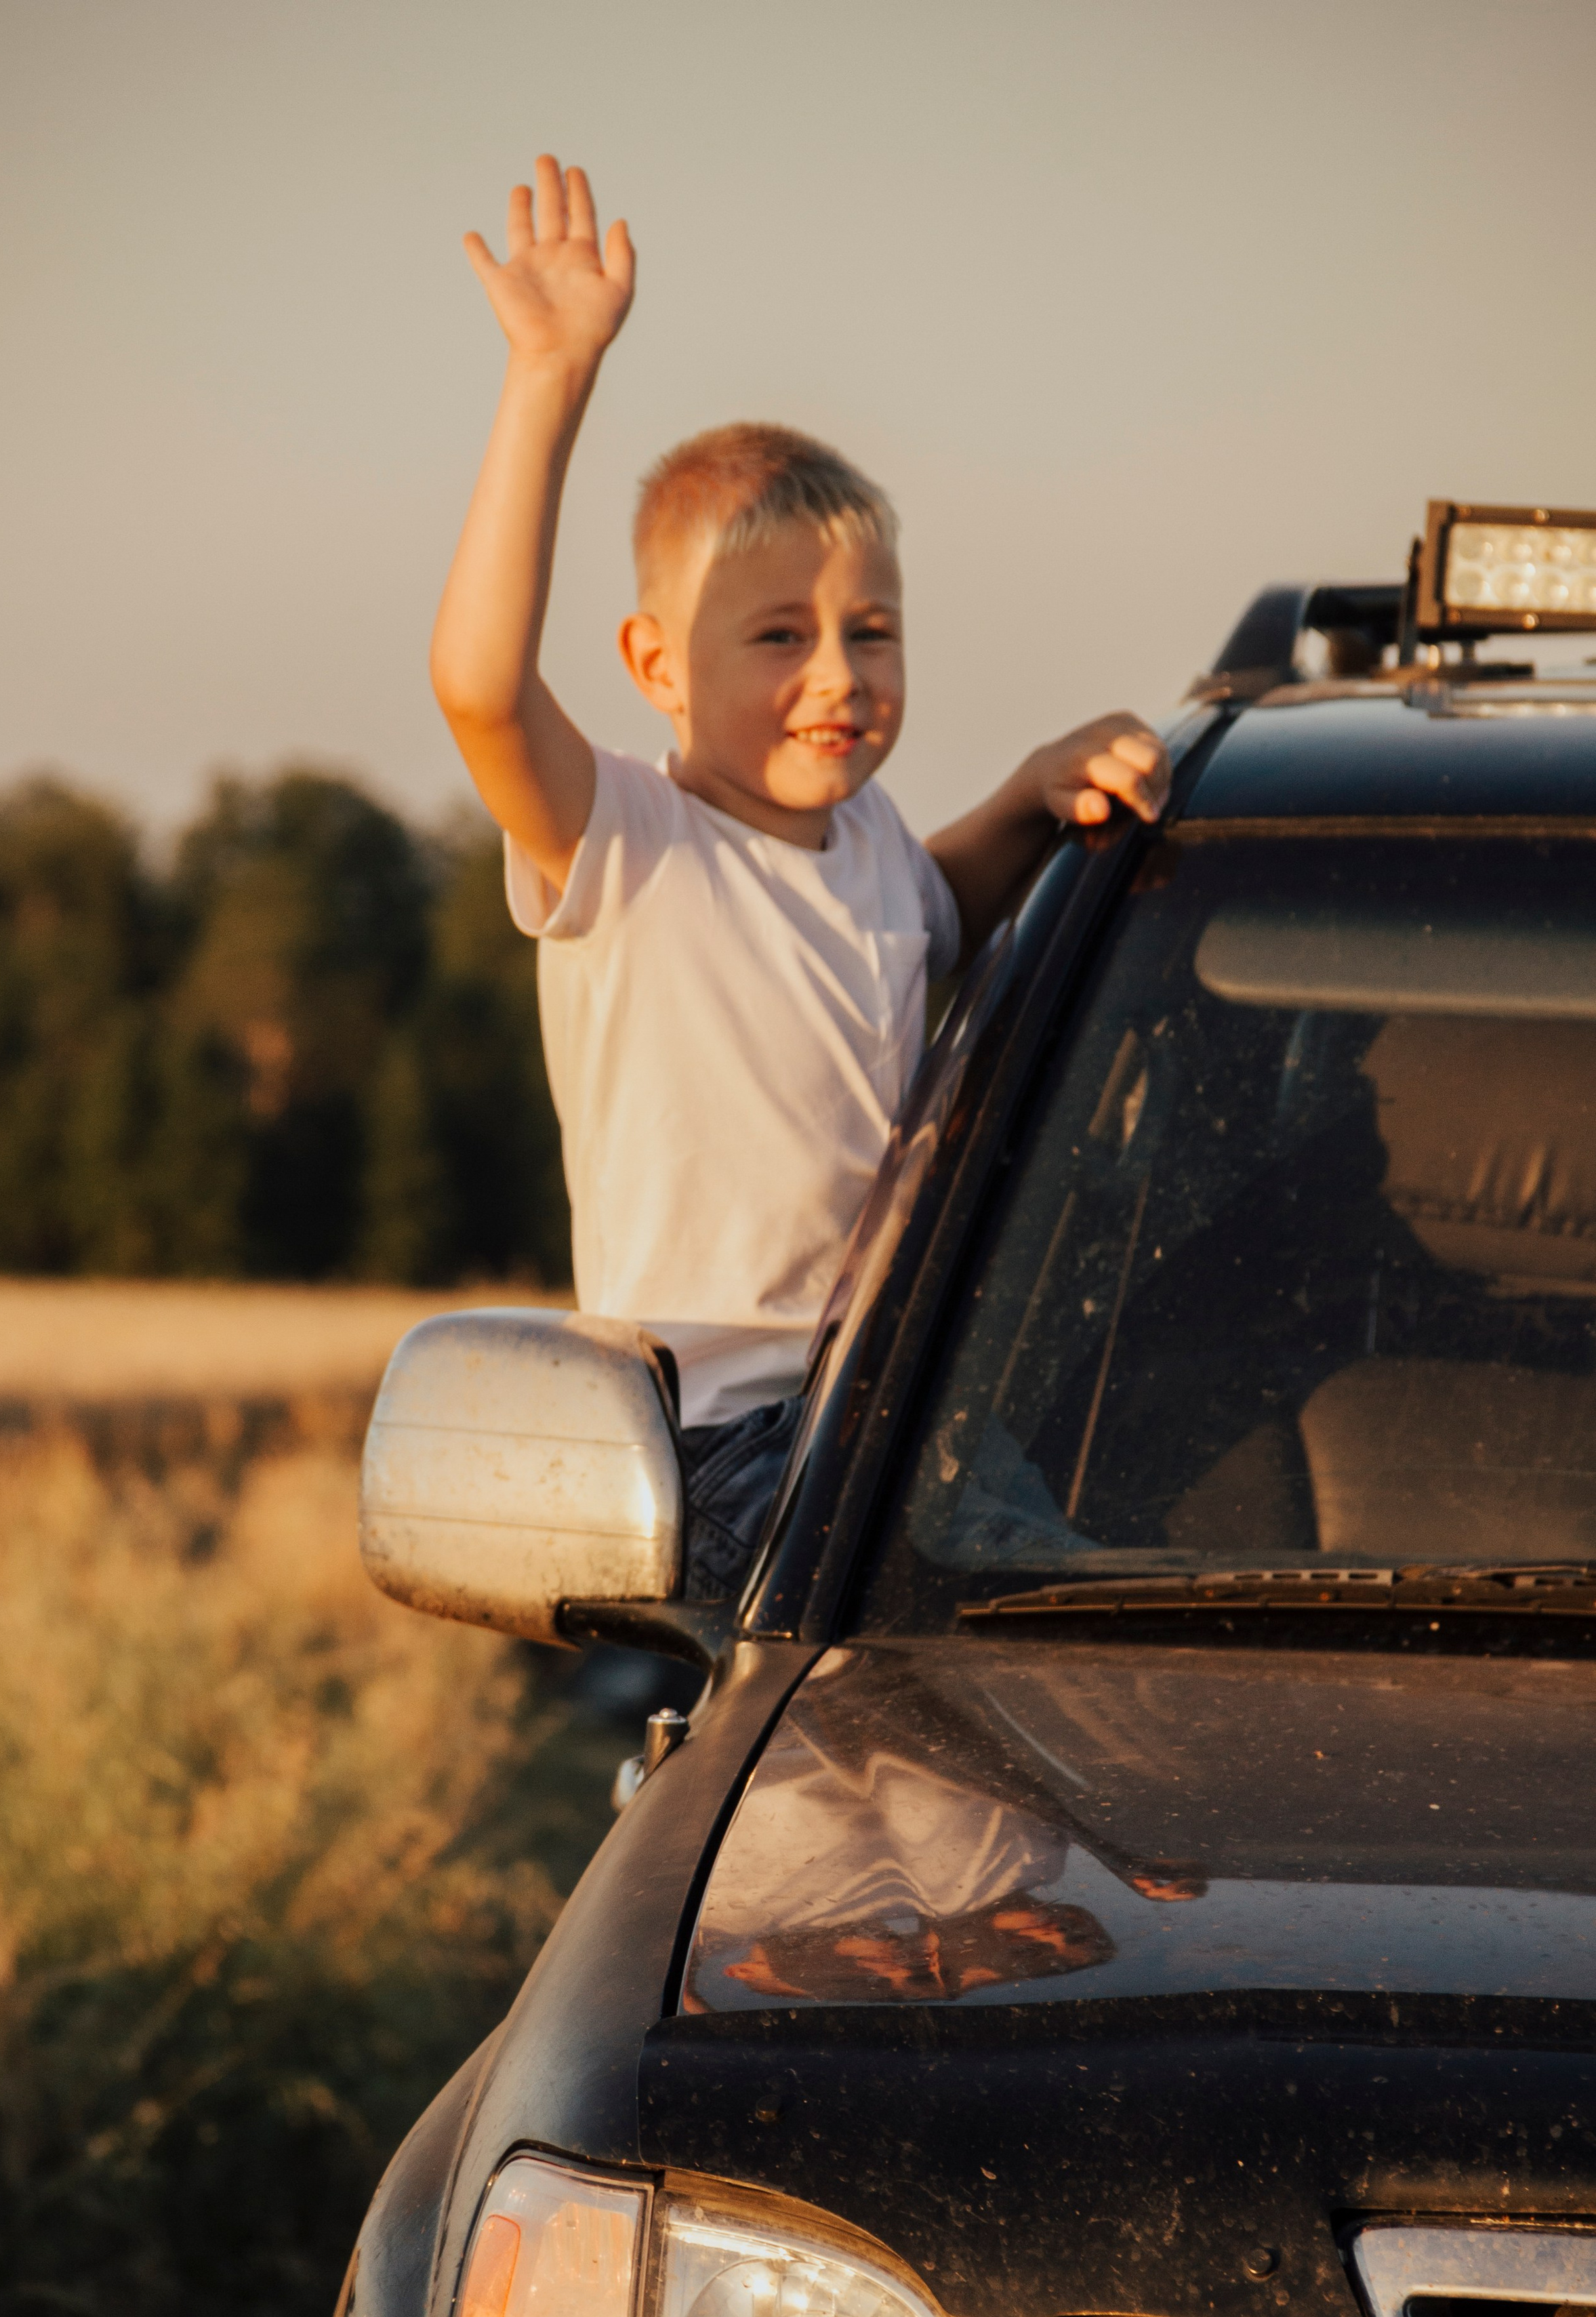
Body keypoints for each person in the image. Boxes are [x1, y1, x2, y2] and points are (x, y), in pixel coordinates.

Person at [431, 157, 1170, 1600]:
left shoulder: (876, 841)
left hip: (884, 1417)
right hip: (712, 1440)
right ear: (654, 665)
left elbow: (936, 918)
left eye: (869, 631)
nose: (835, 676)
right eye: (776, 636)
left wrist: (1031, 792)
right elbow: (475, 687)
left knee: (1088, 1637)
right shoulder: (625, 846)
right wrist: (548, 379)